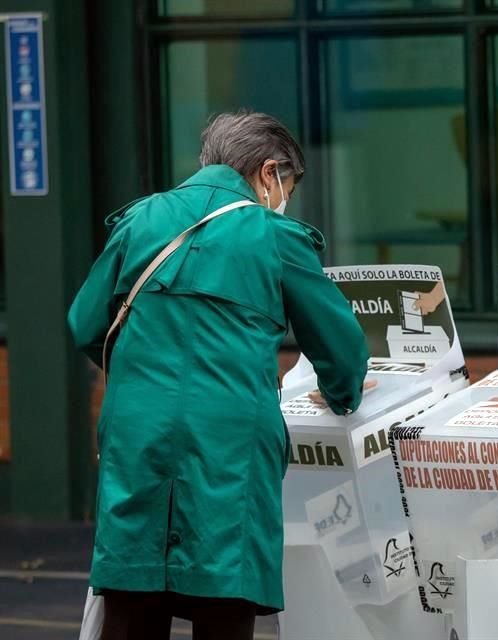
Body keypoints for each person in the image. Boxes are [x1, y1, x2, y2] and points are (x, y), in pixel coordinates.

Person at [68, 111, 369, 640]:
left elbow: (85, 323)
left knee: (132, 599)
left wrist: (142, 375)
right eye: (288, 186)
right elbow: (340, 347)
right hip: (229, 444)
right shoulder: (273, 234)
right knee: (223, 600)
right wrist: (341, 394)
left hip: (138, 433)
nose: (285, 199)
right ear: (268, 173)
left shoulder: (141, 220)